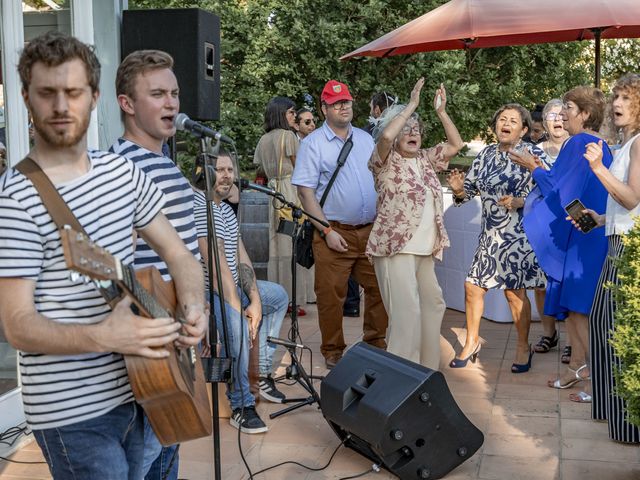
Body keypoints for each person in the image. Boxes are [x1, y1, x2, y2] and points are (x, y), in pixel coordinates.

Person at [0, 32, 206, 479]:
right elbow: (16, 325)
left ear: (93, 97)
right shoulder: (16, 198)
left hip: (151, 383)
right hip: (73, 412)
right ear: (26, 98)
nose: (60, 107)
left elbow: (179, 254)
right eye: (46, 93)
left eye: (72, 92)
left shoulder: (122, 173)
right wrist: (104, 337)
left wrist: (193, 307)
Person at [110, 49, 201, 480]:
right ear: (127, 104)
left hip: (178, 337)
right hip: (150, 347)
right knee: (142, 459)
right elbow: (117, 265)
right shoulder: (121, 169)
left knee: (166, 456)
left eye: (175, 93)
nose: (172, 104)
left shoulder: (165, 163)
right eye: (158, 94)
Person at [512, 86, 612, 394]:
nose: (560, 113)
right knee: (575, 306)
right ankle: (574, 368)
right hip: (591, 231)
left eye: (567, 107)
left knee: (580, 309)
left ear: (583, 114)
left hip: (582, 236)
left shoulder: (578, 141)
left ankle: (597, 381)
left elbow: (559, 189)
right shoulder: (602, 144)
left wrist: (534, 168)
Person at [367, 78, 463, 369]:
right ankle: (401, 374)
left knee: (433, 305)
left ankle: (427, 370)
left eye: (417, 130)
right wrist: (410, 106)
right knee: (406, 313)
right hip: (395, 247)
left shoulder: (425, 159)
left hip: (424, 248)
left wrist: (441, 112)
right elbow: (384, 138)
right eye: (406, 130)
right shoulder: (384, 160)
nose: (413, 134)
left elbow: (456, 144)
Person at [292, 79, 388, 369]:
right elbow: (305, 193)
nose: (343, 106)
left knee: (380, 289)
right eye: (336, 103)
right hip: (333, 232)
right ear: (324, 109)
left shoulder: (365, 138)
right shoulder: (312, 144)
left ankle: (375, 343)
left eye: (346, 101)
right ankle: (333, 351)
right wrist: (327, 231)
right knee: (331, 297)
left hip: (370, 231)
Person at [447, 103, 547, 372]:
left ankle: (523, 346)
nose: (506, 123)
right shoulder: (485, 155)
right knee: (472, 287)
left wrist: (521, 201)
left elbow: (551, 192)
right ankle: (471, 342)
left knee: (515, 295)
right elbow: (466, 193)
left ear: (524, 129)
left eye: (513, 121)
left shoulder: (534, 154)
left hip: (519, 237)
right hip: (490, 235)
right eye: (502, 119)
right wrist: (457, 189)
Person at [194, 151, 289, 432]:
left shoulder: (224, 209)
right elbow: (216, 264)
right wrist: (238, 304)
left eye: (230, 170)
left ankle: (260, 374)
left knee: (278, 296)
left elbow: (241, 256)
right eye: (220, 169)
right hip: (211, 291)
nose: (227, 176)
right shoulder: (201, 206)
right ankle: (241, 404)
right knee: (236, 325)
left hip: (233, 285)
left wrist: (256, 300)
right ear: (205, 173)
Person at [578, 73, 640, 442]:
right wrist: (600, 218)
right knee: (603, 325)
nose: (617, 104)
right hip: (618, 240)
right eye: (616, 97)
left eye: (627, 99)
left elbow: (632, 198)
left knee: (616, 332)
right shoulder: (629, 143)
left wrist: (599, 169)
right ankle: (611, 413)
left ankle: (628, 423)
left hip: (630, 250)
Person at [253, 96, 314, 311]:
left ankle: (278, 295)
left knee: (276, 245)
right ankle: (293, 297)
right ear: (281, 114)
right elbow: (301, 168)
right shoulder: (289, 137)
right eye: (290, 112)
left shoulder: (264, 139)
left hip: (272, 192)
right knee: (293, 242)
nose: (294, 116)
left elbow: (259, 171)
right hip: (290, 191)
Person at [532, 98, 572, 360]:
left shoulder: (577, 148)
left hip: (570, 224)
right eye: (551, 115)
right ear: (544, 122)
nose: (557, 119)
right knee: (540, 282)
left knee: (568, 283)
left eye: (561, 114)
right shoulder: (534, 152)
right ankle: (549, 334)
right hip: (541, 224)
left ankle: (573, 339)